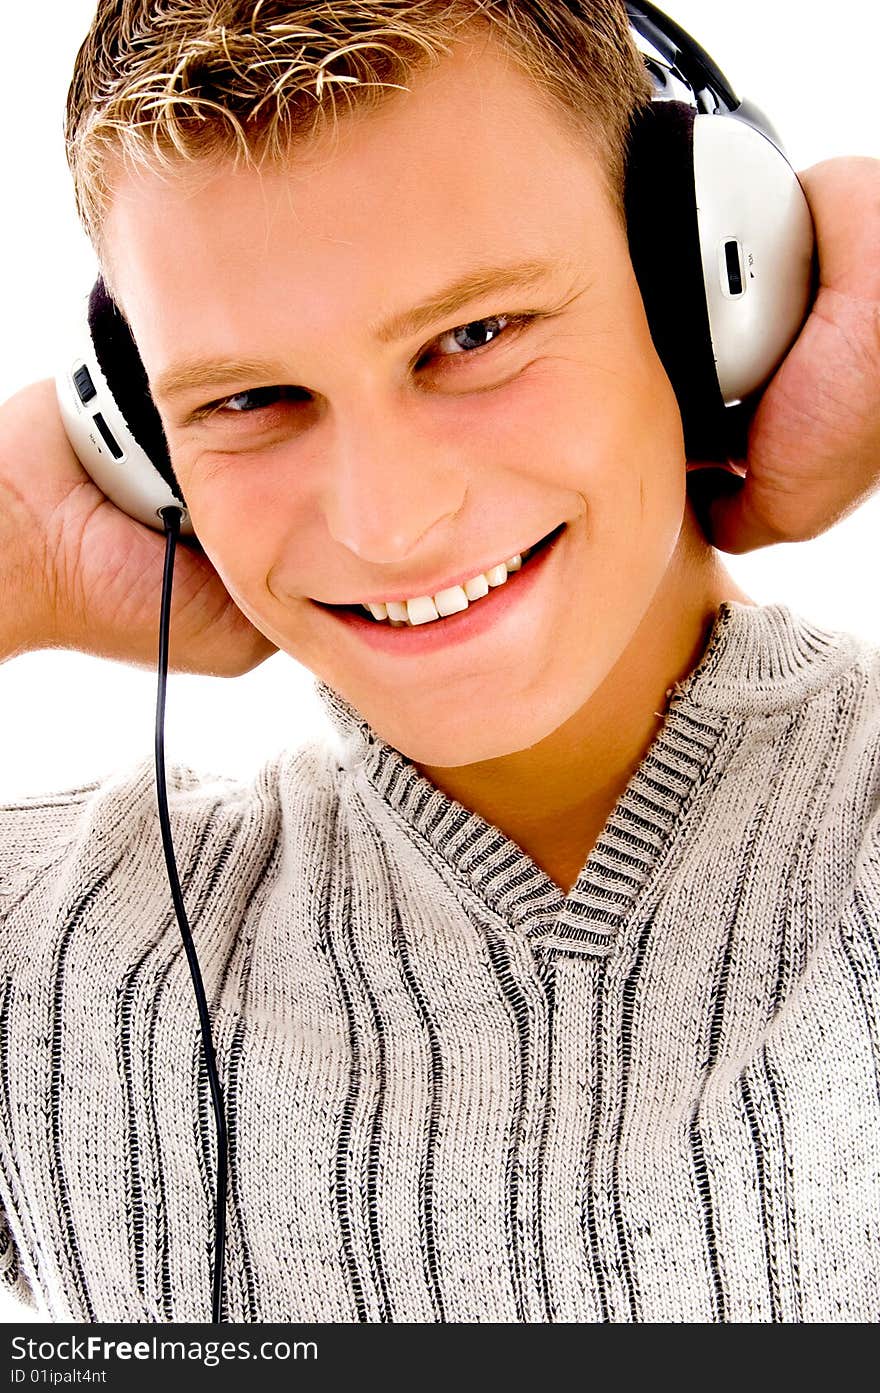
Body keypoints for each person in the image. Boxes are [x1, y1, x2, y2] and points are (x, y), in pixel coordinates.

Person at [0, 0, 878, 1324]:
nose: (385, 517)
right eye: (247, 400)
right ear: (144, 442)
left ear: (706, 287)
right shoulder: (60, 959)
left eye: (476, 337)